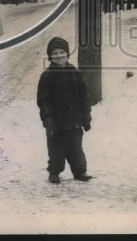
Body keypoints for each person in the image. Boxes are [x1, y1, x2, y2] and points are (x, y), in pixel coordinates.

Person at [36, 36, 93, 184]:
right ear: (50, 57)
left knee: (76, 150)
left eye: (62, 52)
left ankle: (80, 172)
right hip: (57, 123)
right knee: (56, 151)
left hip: (75, 121)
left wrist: (86, 116)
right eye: (55, 53)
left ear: (67, 54)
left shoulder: (74, 72)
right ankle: (54, 172)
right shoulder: (47, 76)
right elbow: (44, 101)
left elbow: (84, 96)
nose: (59, 56)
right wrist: (48, 121)